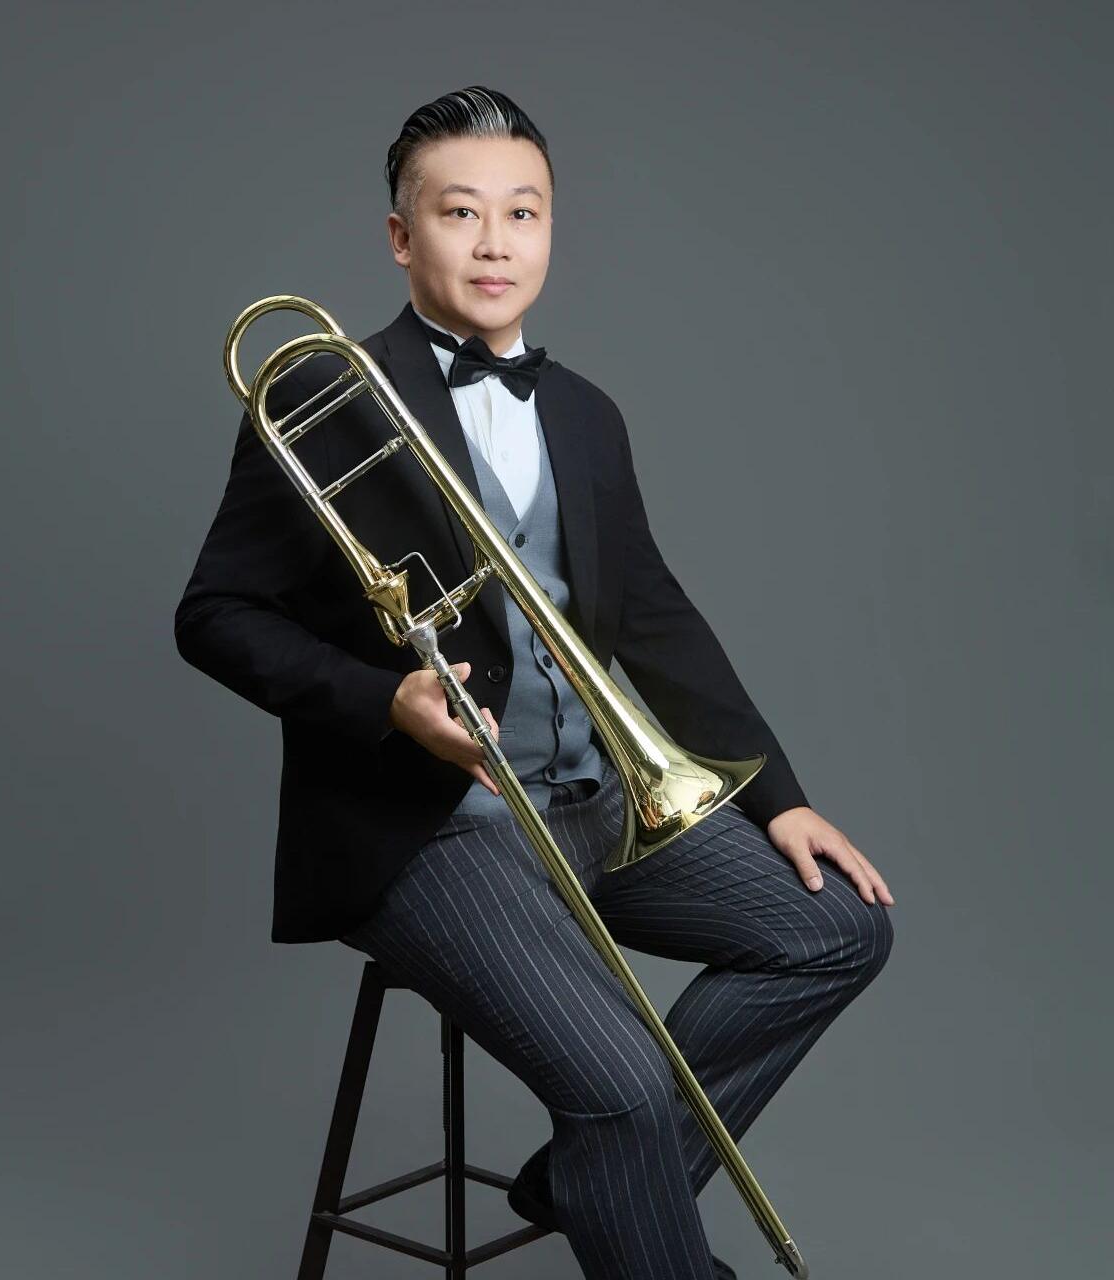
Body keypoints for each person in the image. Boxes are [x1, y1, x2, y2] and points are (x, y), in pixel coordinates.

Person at [175, 85, 895, 1280]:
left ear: (551, 229)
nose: (494, 242)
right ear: (400, 235)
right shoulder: (320, 392)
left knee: (836, 929)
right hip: (426, 829)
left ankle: (592, 1178)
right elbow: (213, 615)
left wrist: (779, 797)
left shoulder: (584, 413)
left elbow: (654, 617)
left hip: (598, 803)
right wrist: (382, 702)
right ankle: (637, 1200)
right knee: (618, 1077)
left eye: (523, 212)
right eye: (459, 212)